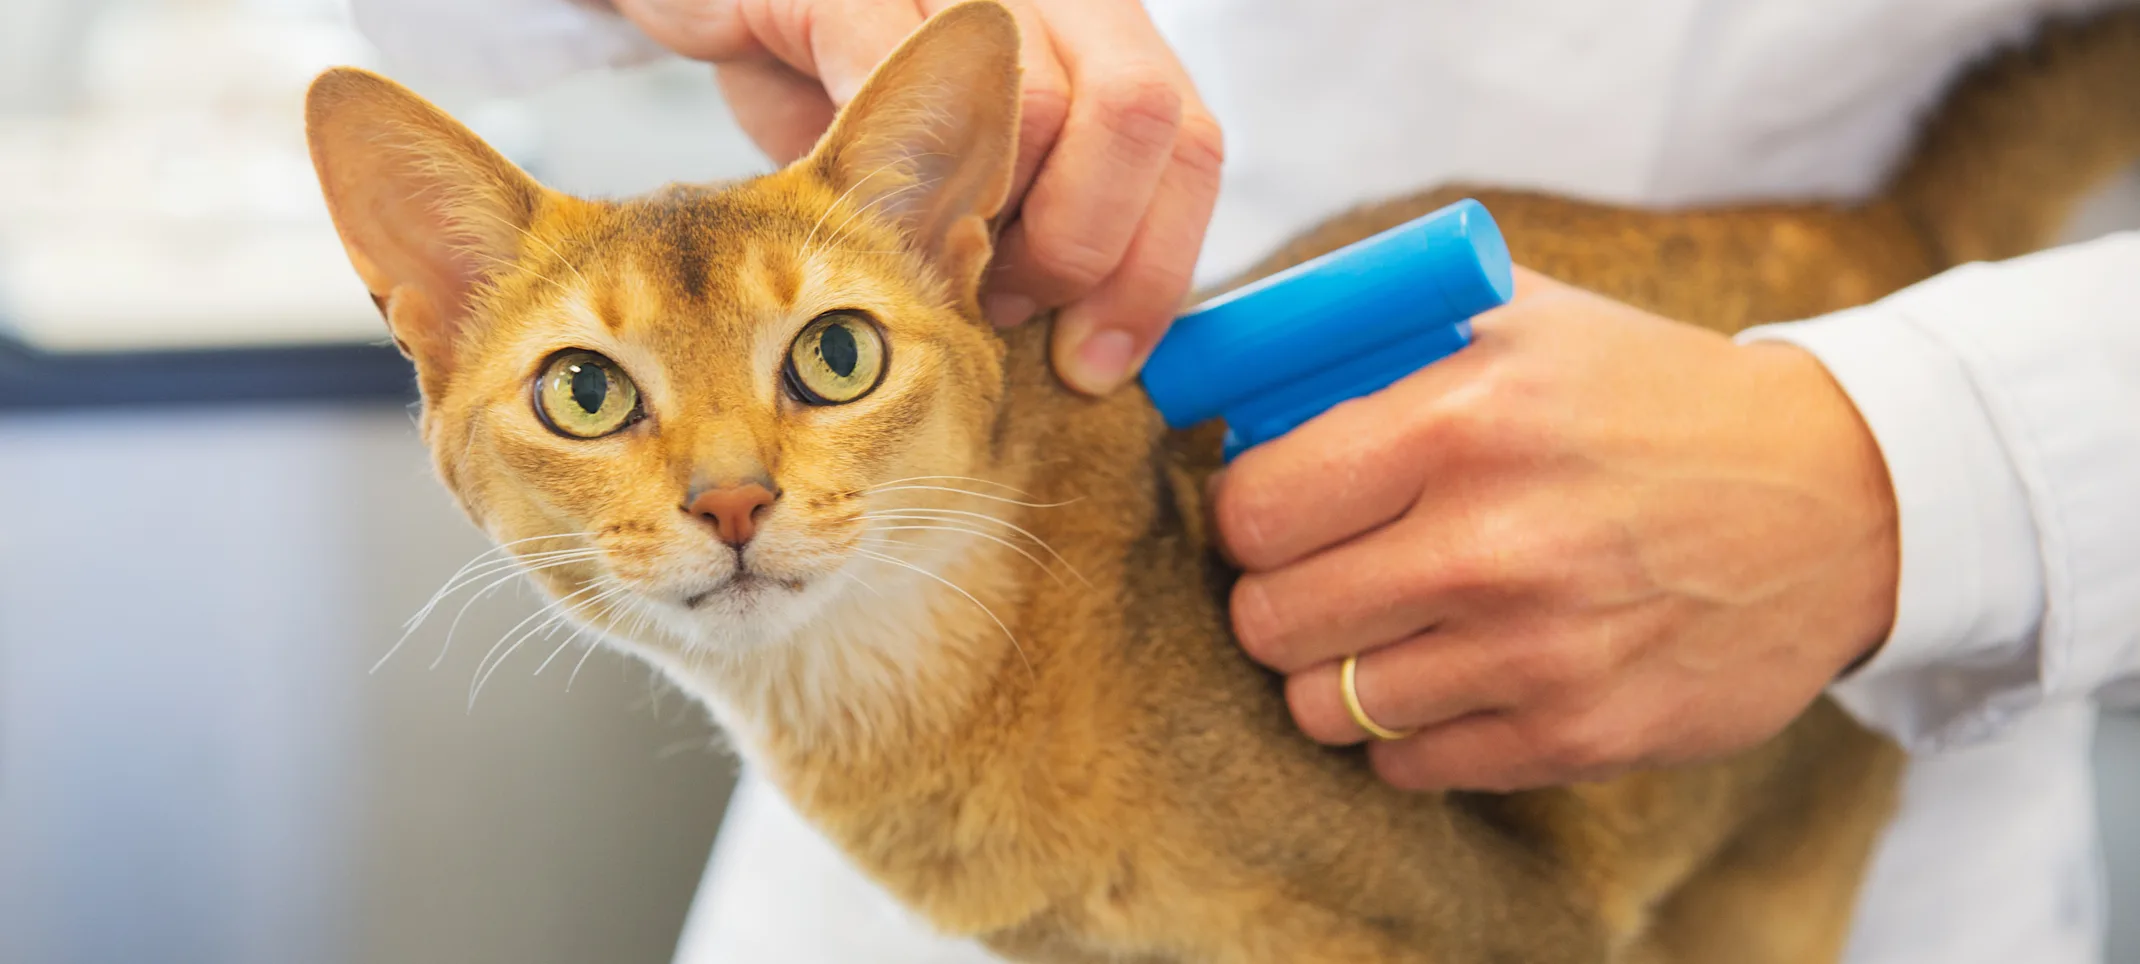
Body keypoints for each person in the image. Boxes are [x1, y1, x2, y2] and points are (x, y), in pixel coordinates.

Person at [350, 1, 2140, 962]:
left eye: (819, 369)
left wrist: (1923, 462)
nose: (727, 490)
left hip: (1906, 551)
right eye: (592, 395)